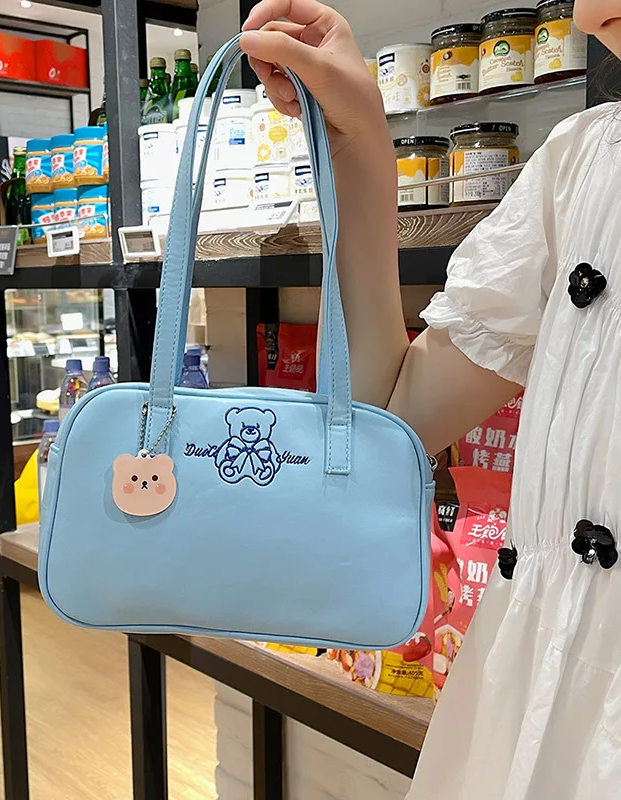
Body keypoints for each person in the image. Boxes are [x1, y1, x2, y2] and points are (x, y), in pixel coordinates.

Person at [240, 1, 621, 798]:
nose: (591, 13)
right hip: (531, 705)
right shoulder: (583, 162)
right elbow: (387, 420)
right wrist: (356, 144)